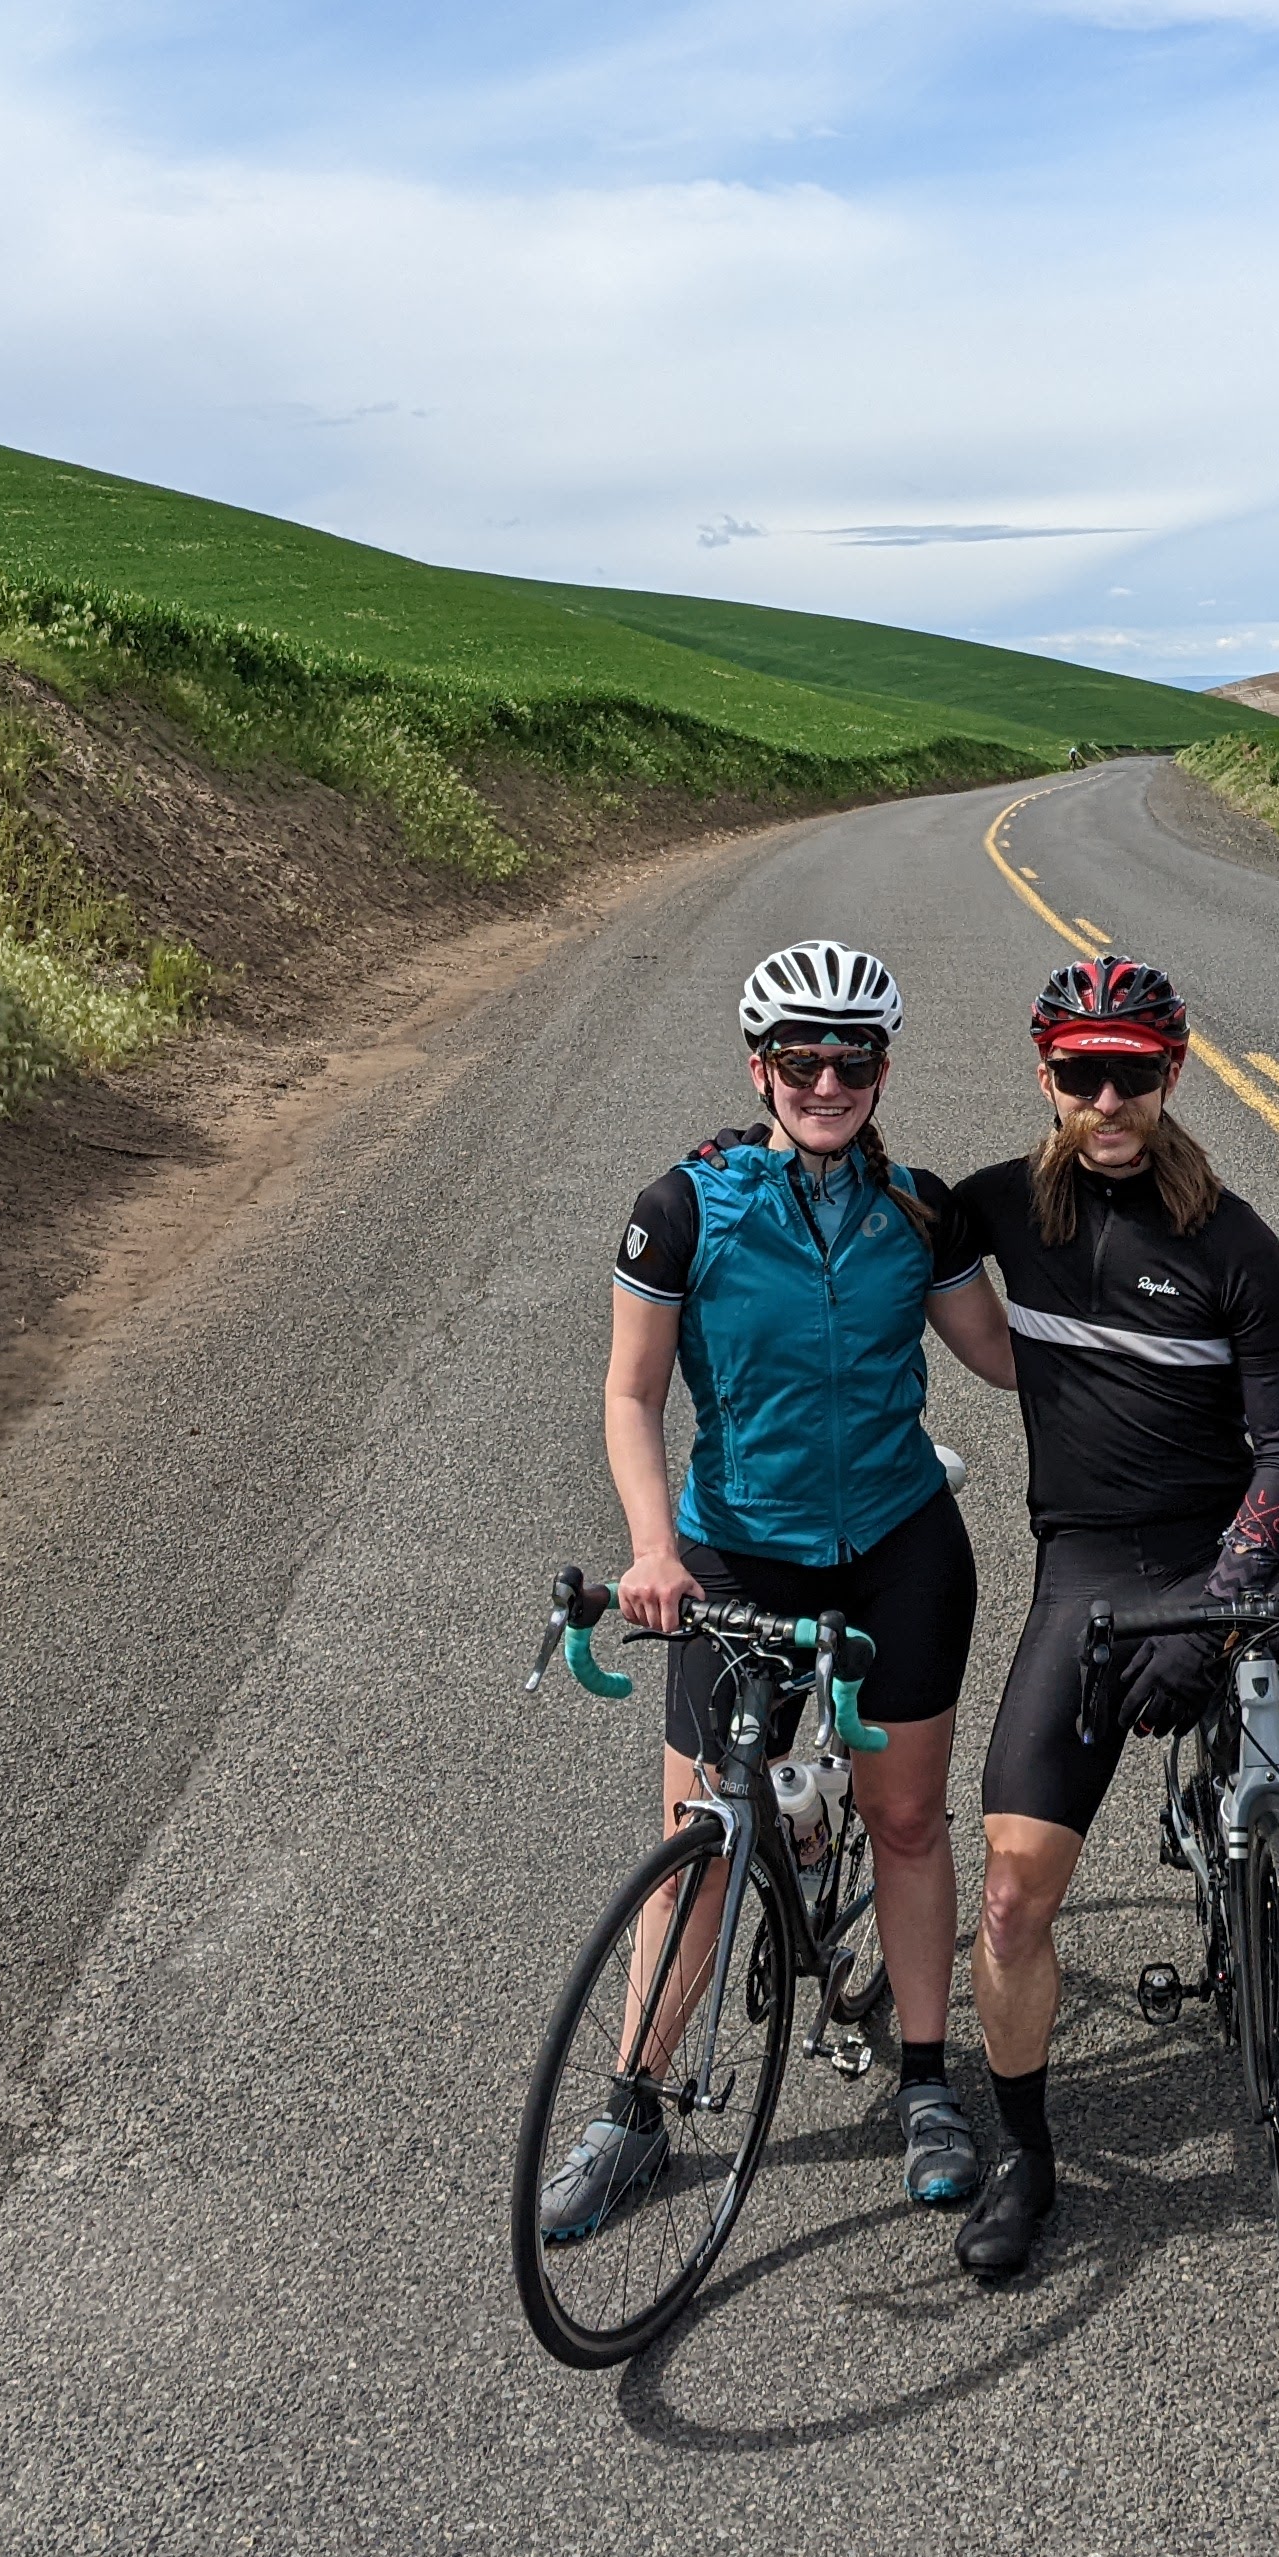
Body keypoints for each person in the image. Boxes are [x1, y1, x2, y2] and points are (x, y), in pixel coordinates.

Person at [941, 955, 1279, 2279]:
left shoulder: (1238, 1244)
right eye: (1083, 1072)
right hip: (1090, 1567)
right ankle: (1028, 2160)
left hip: (1231, 1545)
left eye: (1137, 1072)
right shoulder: (996, 1207)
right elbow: (859, 1217)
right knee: (1008, 1899)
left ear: (1176, 1073)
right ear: (1043, 1072)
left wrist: (1218, 1608)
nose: (1110, 1097)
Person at [538, 941, 1018, 2251]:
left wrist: (1170, 1329)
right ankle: (634, 2110)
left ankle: (927, 2083)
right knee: (697, 1841)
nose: (824, 1081)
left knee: (906, 1821)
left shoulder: (918, 1213)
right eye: (797, 1061)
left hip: (898, 1546)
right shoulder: (683, 1210)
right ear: (759, 1068)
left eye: (849, 1060)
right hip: (735, 1552)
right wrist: (652, 1548)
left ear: (879, 1070)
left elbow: (1008, 1360)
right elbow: (633, 1395)